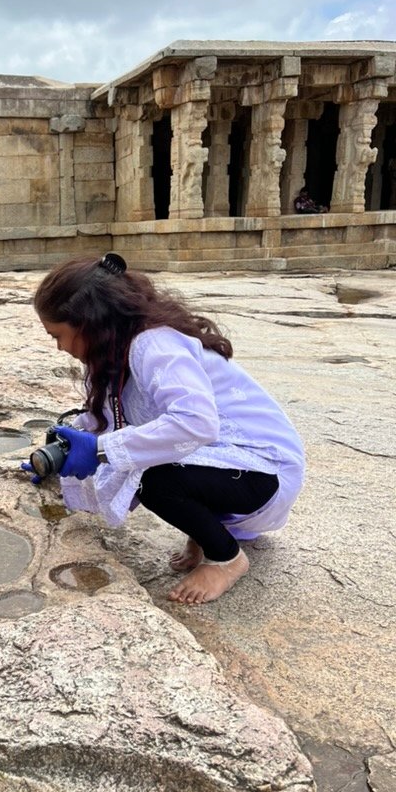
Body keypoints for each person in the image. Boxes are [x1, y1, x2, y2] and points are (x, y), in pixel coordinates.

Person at [22, 253, 305, 605]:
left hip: (263, 470)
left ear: (88, 322)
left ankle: (227, 560)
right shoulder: (115, 353)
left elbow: (195, 423)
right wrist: (62, 450)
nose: (60, 347)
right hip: (230, 467)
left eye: (58, 336)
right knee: (146, 460)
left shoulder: (154, 344)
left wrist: (99, 450)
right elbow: (109, 420)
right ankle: (205, 533)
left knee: (151, 476)